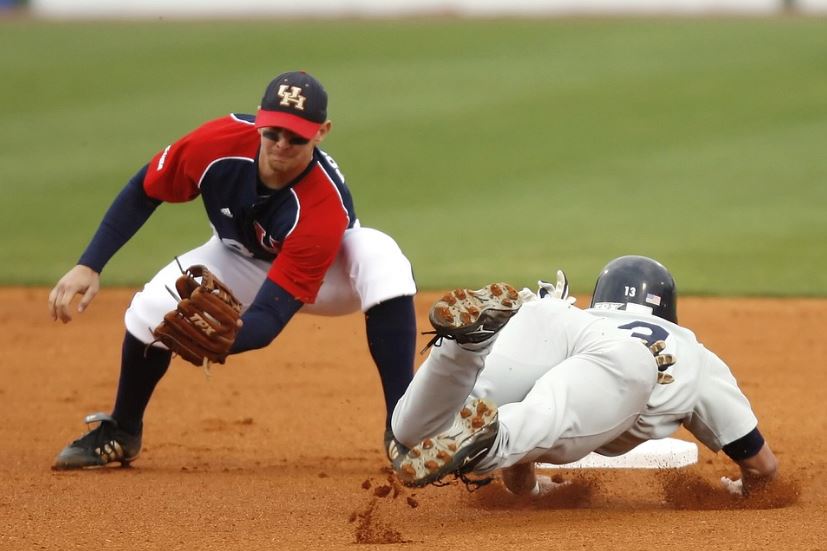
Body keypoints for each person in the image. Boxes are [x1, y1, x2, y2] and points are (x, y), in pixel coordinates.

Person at [49, 71, 417, 469]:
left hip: (332, 275)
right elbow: (145, 188)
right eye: (274, 132)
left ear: (322, 132)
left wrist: (228, 338)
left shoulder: (321, 207)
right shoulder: (215, 144)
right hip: (238, 255)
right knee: (151, 308)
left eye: (297, 137)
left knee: (382, 256)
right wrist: (91, 263)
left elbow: (271, 315)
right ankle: (122, 430)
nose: (282, 145)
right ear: (260, 120)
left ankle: (404, 432)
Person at [388, 256, 778, 497]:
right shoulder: (692, 353)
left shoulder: (587, 315)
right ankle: (491, 440)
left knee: (414, 434)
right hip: (627, 362)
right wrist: (746, 490)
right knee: (548, 415)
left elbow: (524, 463)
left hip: (551, 317)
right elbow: (761, 466)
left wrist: (529, 490)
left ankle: (463, 350)